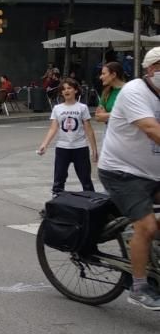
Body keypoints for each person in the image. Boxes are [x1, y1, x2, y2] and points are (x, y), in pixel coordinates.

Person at [97, 47, 160, 309]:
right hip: (122, 172)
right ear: (151, 69)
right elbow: (150, 128)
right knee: (146, 227)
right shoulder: (135, 91)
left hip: (153, 173)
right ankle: (139, 286)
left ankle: (150, 253)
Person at [37, 78, 98, 196]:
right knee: (59, 180)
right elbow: (53, 128)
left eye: (69, 88)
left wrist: (94, 149)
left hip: (80, 148)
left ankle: (92, 204)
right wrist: (44, 144)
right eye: (63, 89)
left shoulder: (82, 108)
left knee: (86, 180)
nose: (66, 91)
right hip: (62, 148)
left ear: (75, 90)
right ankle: (56, 204)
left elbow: (88, 129)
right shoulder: (57, 109)